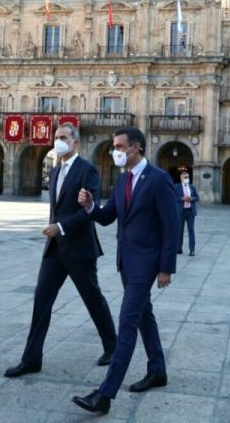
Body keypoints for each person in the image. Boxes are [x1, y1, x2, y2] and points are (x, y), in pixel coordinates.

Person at [72, 127, 180, 415]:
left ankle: (105, 394)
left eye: (120, 146)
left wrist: (166, 267)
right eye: (114, 146)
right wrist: (90, 206)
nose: (115, 151)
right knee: (145, 317)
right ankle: (158, 370)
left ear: (136, 148)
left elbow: (172, 224)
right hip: (126, 263)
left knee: (128, 324)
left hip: (147, 264)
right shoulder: (122, 182)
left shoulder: (158, 179)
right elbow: (108, 217)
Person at [4, 124, 116, 378]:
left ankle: (113, 346)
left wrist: (61, 227)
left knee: (93, 299)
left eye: (63, 138)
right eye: (56, 138)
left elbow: (89, 210)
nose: (58, 142)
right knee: (41, 300)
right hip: (54, 250)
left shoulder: (88, 170)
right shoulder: (54, 172)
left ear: (75, 143)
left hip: (79, 248)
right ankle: (31, 359)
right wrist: (56, 229)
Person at [175, 170, 199, 256]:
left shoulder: (192, 187)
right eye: (185, 177)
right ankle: (179, 248)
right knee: (179, 230)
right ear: (181, 178)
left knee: (191, 231)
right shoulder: (176, 187)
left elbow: (197, 197)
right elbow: (173, 197)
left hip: (190, 211)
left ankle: (192, 249)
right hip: (181, 211)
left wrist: (191, 198)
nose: (187, 179)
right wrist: (182, 198)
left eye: (188, 177)